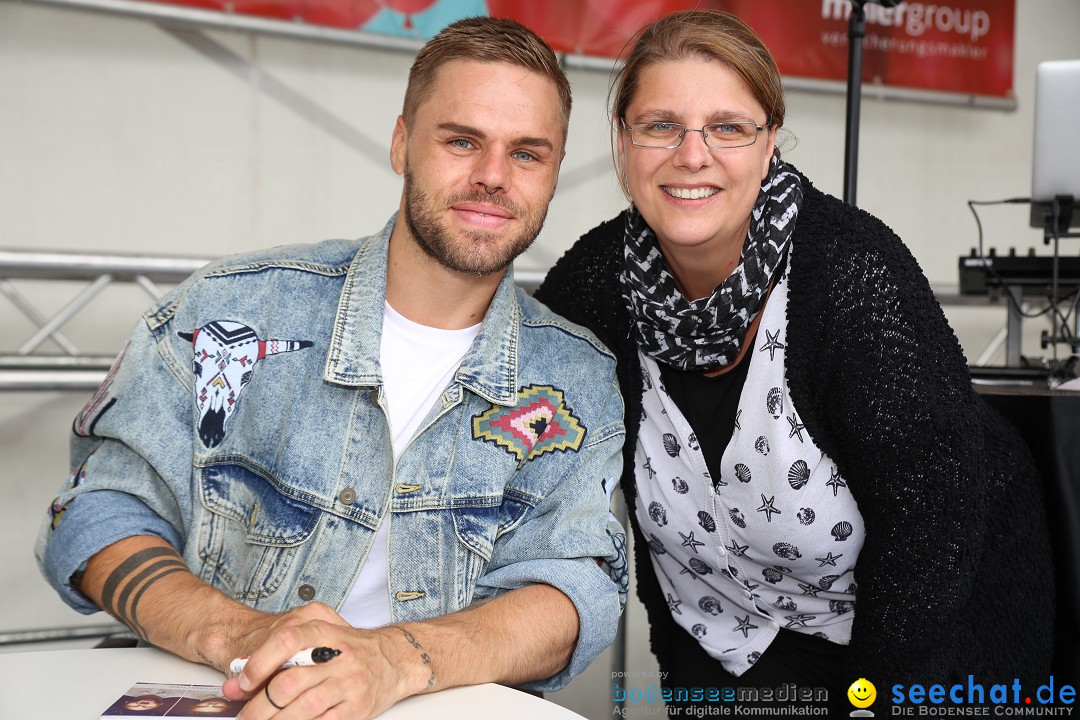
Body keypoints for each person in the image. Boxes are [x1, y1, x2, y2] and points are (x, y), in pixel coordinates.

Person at [36, 16, 627, 720]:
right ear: (402, 141)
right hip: (221, 694)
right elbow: (98, 506)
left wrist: (391, 661)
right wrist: (242, 633)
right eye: (461, 140)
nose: (491, 177)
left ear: (555, 172)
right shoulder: (234, 309)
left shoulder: (576, 378)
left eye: (527, 154)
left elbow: (573, 589)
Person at [535, 9, 1054, 711]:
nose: (693, 155)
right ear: (623, 141)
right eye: (661, 126)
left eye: (728, 127)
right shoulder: (589, 291)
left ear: (769, 141)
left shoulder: (853, 278)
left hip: (926, 638)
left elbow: (931, 546)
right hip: (723, 639)